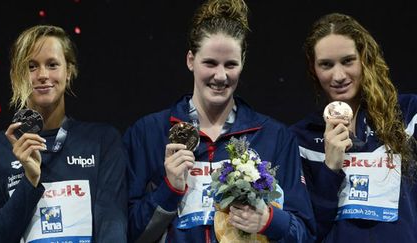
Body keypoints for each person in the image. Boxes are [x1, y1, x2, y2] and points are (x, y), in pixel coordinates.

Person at [123, 0, 316, 242]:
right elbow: (128, 234)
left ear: (243, 63)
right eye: (210, 63)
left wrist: (268, 220)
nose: (221, 76)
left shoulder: (274, 137)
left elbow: (305, 234)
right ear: (190, 60)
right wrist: (169, 189)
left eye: (231, 64)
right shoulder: (147, 133)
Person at [0, 25, 128, 243]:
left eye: (52, 65)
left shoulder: (103, 140)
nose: (42, 75)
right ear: (18, 75)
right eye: (31, 66)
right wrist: (30, 182)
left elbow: (112, 225)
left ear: (69, 71)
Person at [290, 13, 417, 243]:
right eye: (326, 65)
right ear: (313, 69)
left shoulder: (408, 115)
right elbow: (307, 230)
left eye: (348, 61)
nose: (338, 76)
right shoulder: (300, 139)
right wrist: (330, 168)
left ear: (364, 59)